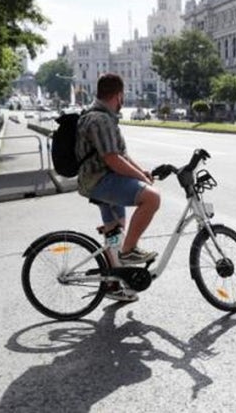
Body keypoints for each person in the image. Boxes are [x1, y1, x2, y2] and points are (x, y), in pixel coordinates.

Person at [76, 73, 161, 302]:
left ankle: (113, 283)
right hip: (100, 180)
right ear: (119, 95)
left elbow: (121, 154)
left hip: (98, 179)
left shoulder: (102, 116)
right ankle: (129, 251)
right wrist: (141, 179)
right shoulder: (100, 120)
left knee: (115, 233)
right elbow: (113, 159)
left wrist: (141, 172)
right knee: (152, 198)